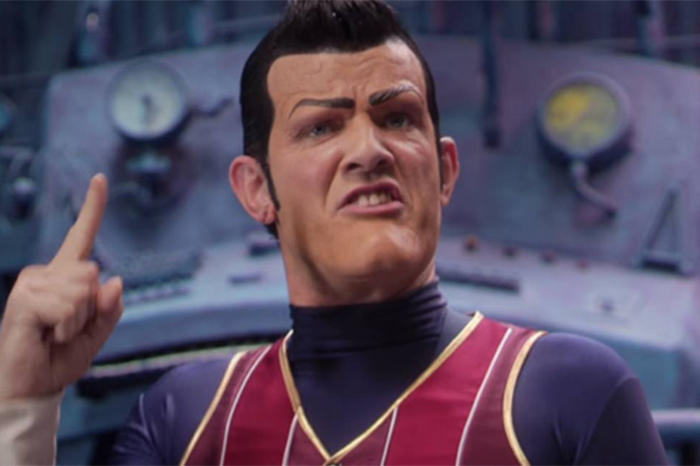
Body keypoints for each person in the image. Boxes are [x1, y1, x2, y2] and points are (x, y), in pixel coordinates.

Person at [0, 1, 668, 465]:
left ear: (444, 169)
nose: (369, 151)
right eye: (321, 127)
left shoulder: (570, 396)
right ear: (256, 190)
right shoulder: (186, 423)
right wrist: (24, 408)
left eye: (398, 118)